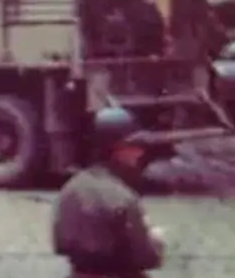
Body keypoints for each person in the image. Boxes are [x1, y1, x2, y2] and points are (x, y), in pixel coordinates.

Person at [51, 107, 166, 277]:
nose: (140, 152)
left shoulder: (69, 190)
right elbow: (147, 258)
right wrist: (155, 240)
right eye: (133, 146)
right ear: (115, 150)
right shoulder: (124, 197)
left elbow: (60, 244)